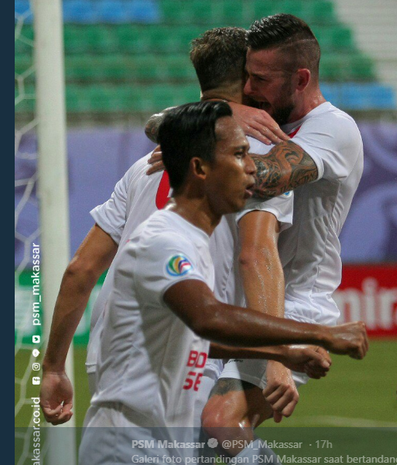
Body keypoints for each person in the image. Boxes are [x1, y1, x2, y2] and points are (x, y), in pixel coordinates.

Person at [40, 27, 316, 425]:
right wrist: (276, 356)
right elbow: (255, 256)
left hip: (110, 351)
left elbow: (81, 270)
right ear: (247, 80)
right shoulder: (252, 161)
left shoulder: (146, 165)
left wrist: (52, 367)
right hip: (179, 353)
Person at [77, 101, 368, 465]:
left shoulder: (196, 242)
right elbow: (207, 318)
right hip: (129, 446)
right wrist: (318, 335)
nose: (252, 169)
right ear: (200, 169)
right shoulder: (165, 241)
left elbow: (197, 336)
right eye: (240, 155)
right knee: (222, 421)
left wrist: (283, 353)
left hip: (159, 445)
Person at [200, 13, 365, 460]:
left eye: (261, 79)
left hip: (295, 305)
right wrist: (226, 110)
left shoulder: (334, 128)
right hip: (241, 304)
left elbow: (264, 177)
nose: (249, 89)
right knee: (192, 436)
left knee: (218, 425)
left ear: (301, 78)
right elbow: (157, 124)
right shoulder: (256, 118)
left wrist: (214, 122)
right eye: (245, 78)